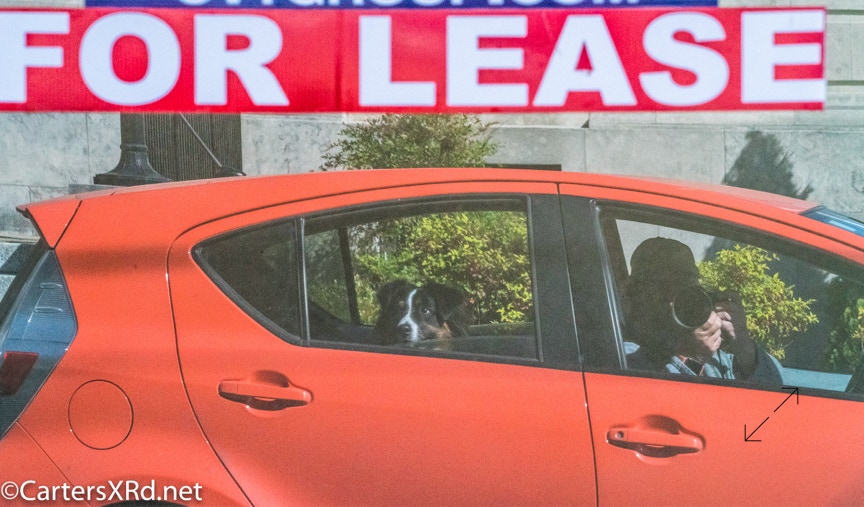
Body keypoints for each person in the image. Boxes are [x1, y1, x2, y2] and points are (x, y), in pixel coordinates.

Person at [622, 237, 782, 383]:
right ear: (636, 296)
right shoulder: (622, 354)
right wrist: (692, 359)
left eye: (689, 284)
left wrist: (742, 343)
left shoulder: (715, 357)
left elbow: (781, 389)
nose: (675, 298)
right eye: (664, 285)